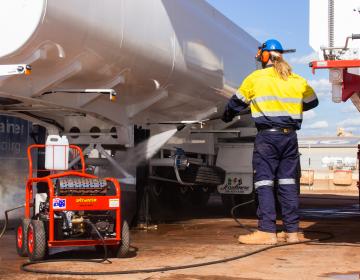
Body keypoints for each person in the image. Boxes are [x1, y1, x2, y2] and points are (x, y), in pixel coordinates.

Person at [222, 39, 318, 245]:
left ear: (264, 56)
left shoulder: (256, 78)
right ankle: (292, 232)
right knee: (288, 183)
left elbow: (235, 103)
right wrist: (288, 111)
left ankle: (267, 231)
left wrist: (227, 115)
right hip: (290, 137)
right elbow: (312, 102)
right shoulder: (296, 79)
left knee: (264, 182)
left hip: (268, 138)